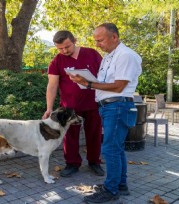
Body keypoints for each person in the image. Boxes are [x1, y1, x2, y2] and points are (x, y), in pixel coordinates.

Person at [69, 23, 142, 203]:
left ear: (114, 37)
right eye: (95, 41)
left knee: (109, 149)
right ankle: (120, 185)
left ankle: (111, 190)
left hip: (118, 106)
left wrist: (89, 84)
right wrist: (84, 80)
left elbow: (119, 86)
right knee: (116, 149)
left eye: (100, 40)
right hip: (109, 107)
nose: (97, 44)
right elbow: (106, 83)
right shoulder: (109, 56)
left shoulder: (126, 55)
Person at [42, 30, 104, 178]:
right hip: (69, 108)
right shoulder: (57, 60)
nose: (64, 51)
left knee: (94, 134)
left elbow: (104, 76)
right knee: (70, 135)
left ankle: (94, 162)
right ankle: (72, 163)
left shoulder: (92, 54)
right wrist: (49, 108)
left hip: (93, 103)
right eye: (60, 48)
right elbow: (52, 85)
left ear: (74, 40)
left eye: (67, 47)